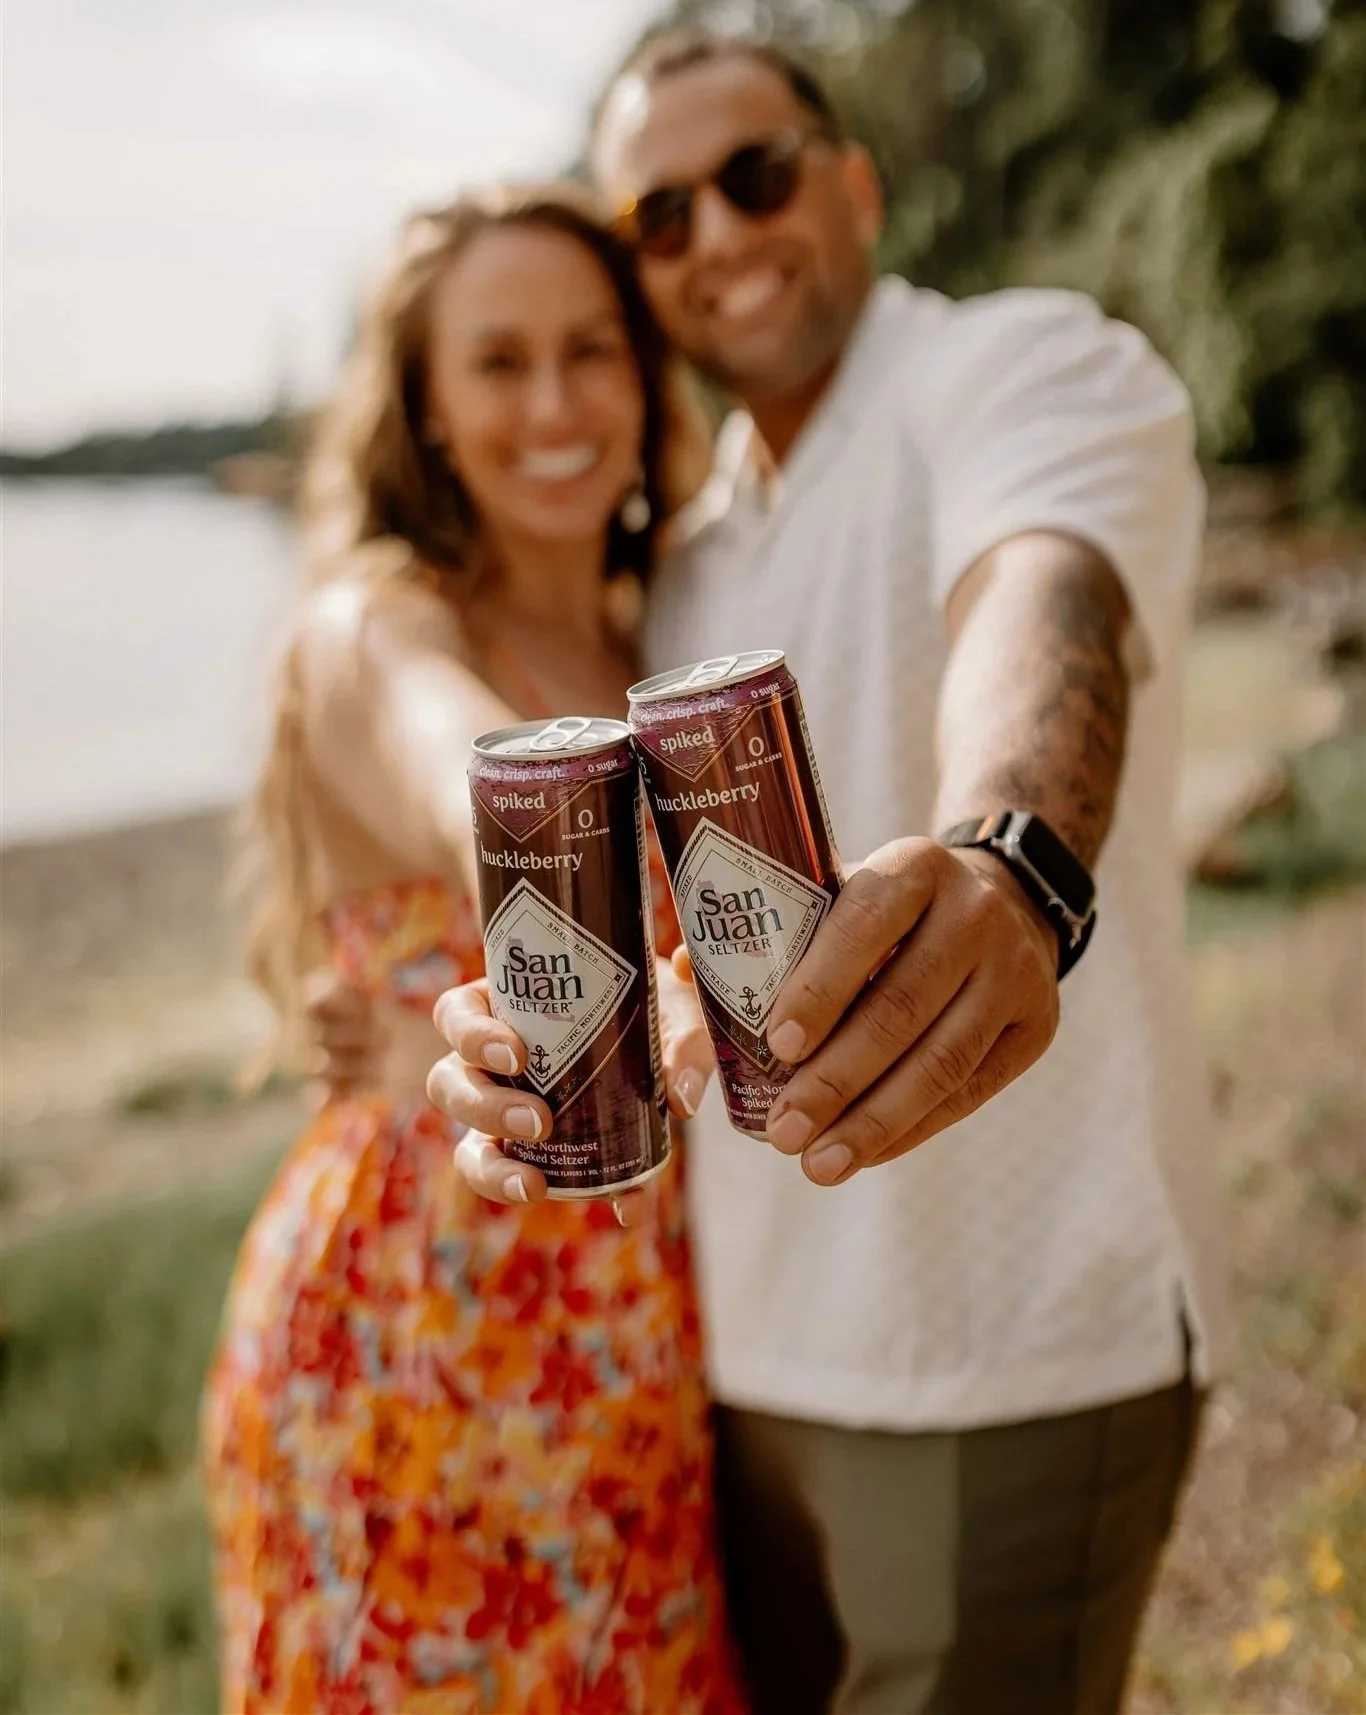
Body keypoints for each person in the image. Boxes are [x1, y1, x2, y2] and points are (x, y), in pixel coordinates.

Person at [422, 31, 1233, 1715]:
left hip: (1004, 1343)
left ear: (855, 184)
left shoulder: (1015, 369)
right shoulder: (697, 553)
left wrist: (1010, 861)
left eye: (758, 174)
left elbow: (1041, 589)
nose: (717, 233)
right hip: (742, 1371)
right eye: (660, 213)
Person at [200, 184, 745, 1714]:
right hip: (415, 1331)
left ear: (648, 378)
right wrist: (528, 879)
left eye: (591, 350)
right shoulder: (370, 629)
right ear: (428, 411)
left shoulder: (661, 630)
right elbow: (474, 771)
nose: (556, 400)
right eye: (497, 363)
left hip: (631, 1340)